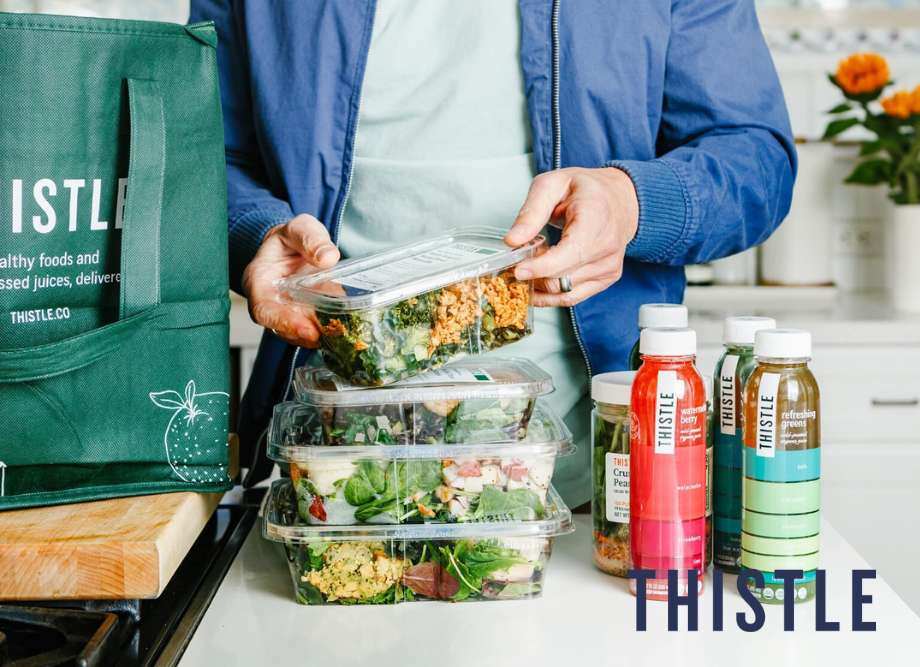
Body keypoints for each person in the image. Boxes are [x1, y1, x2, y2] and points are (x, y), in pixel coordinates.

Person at [190, 0, 796, 508]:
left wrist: (633, 201)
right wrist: (253, 233)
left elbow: (756, 161)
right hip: (333, 475)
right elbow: (201, 151)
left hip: (597, 482)